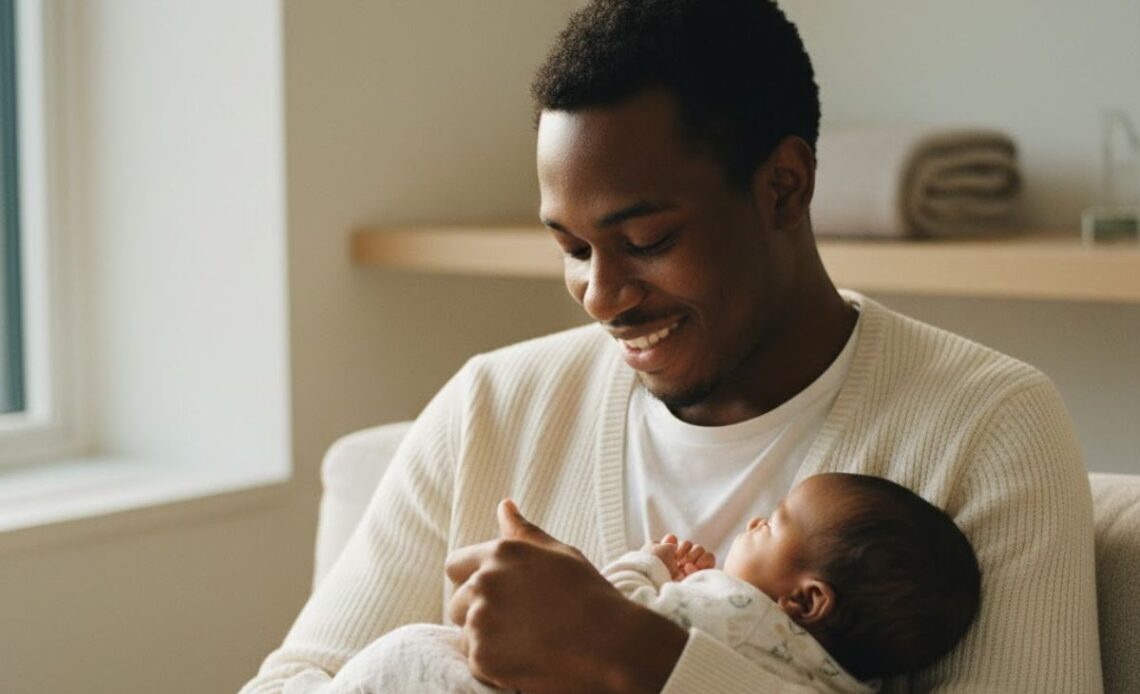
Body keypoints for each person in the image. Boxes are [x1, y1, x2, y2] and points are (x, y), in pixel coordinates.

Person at [241, 1, 1101, 692]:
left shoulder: (990, 427)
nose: (601, 296)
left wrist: (635, 656)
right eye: (572, 248)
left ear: (784, 187)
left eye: (645, 239)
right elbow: (297, 680)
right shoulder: (493, 405)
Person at [307, 473, 981, 694]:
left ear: (802, 600)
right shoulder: (832, 680)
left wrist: (649, 566)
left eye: (771, 525)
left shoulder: (734, 607)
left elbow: (601, 611)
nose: (751, 521)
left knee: (415, 651)